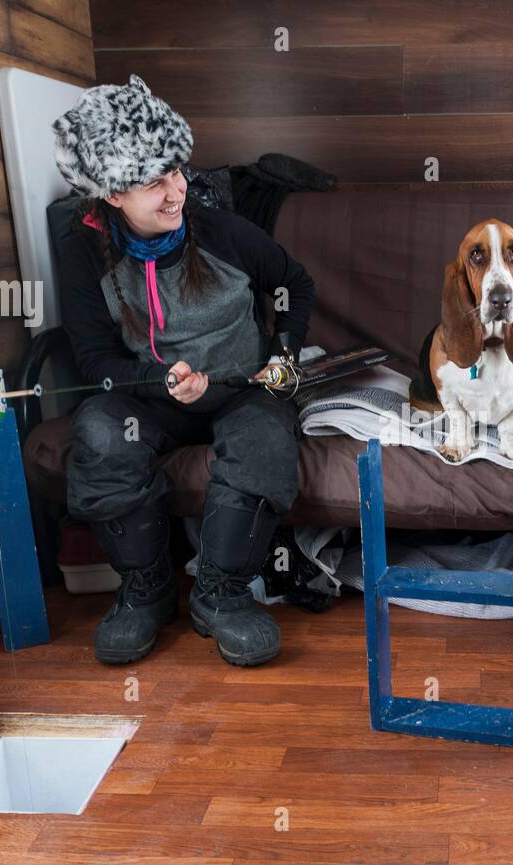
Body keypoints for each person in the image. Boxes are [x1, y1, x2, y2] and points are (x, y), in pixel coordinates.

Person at [51, 75, 314, 668]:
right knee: (96, 431)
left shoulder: (218, 228)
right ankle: (147, 590)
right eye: (154, 182)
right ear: (112, 195)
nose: (176, 191)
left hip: (239, 391)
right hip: (151, 398)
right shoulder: (83, 252)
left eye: (176, 171)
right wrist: (160, 378)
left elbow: (292, 285)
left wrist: (284, 355)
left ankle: (220, 596)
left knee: (266, 436)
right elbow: (94, 361)